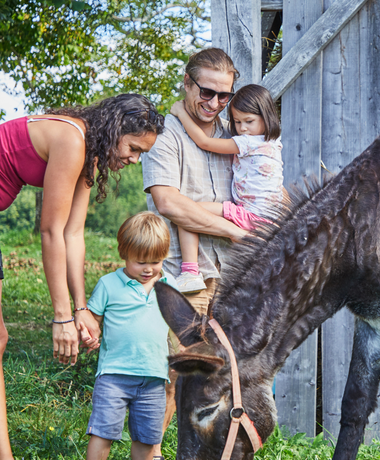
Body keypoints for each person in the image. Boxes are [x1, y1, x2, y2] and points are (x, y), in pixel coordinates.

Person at [0, 94, 164, 460]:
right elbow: (50, 231)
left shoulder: (89, 153)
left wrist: (81, 309)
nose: (134, 159)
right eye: (134, 148)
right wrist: (61, 317)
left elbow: (73, 234)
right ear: (115, 130)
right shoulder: (72, 140)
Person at [141, 47, 247, 459]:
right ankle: (150, 453)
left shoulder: (235, 133)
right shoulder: (164, 134)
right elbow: (169, 202)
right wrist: (234, 231)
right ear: (187, 83)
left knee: (228, 379)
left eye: (224, 95)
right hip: (183, 278)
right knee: (171, 378)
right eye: (207, 92)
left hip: (233, 276)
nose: (215, 103)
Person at [169, 83, 283, 292]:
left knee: (188, 212)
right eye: (237, 122)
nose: (242, 128)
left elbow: (204, 142)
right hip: (270, 221)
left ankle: (190, 272)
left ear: (266, 117)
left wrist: (180, 113)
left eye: (249, 121)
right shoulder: (274, 143)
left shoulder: (248, 142)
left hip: (250, 216)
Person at [84, 211, 175, 460]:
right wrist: (90, 335)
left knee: (147, 439)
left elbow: (177, 325)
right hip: (114, 375)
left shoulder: (169, 285)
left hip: (154, 378)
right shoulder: (108, 284)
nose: (148, 269)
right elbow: (93, 320)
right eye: (140, 262)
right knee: (103, 433)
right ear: (124, 254)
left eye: (156, 261)